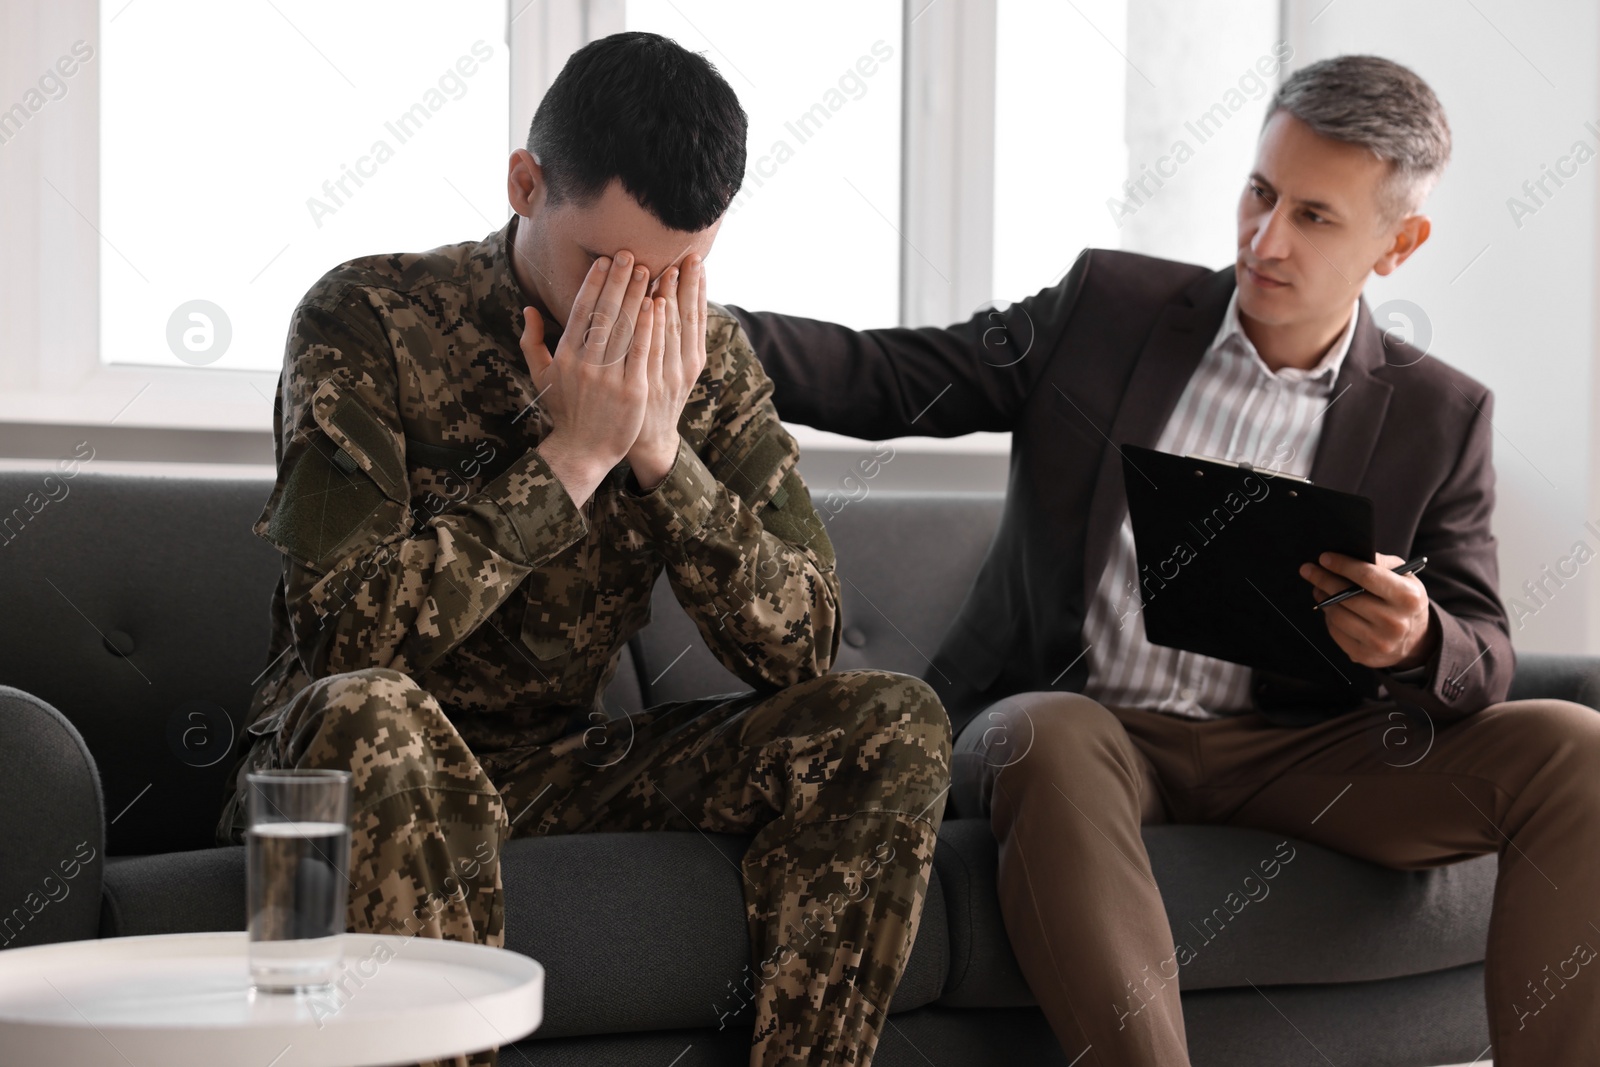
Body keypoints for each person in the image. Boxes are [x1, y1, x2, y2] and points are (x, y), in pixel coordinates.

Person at [731, 55, 1600, 1066]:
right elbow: (888, 376)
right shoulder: (1110, 308)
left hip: (1292, 753)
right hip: (1085, 728)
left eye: (1314, 217)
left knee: (1574, 748)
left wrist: (1417, 635)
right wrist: (694, 332)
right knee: (1044, 734)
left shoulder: (1438, 414)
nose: (1264, 240)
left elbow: (1483, 647)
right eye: (1259, 193)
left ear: (1398, 244)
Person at [215, 31, 951, 1067]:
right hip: (353, 763)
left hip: (555, 767)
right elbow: (344, 633)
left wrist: (658, 450)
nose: (635, 313)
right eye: (606, 269)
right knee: (366, 708)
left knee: (895, 721)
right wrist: (571, 456)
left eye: (674, 275)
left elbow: (804, 647)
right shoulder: (365, 316)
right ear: (525, 184)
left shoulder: (706, 355)